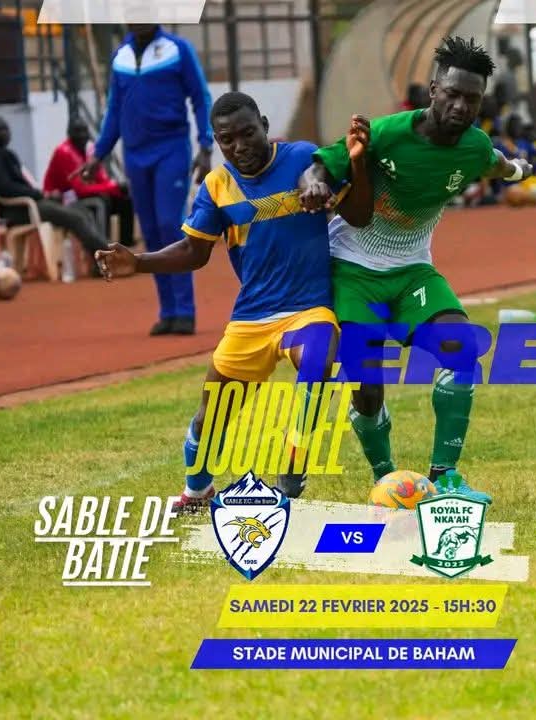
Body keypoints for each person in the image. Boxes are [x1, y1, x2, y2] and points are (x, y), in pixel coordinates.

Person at [95, 92, 372, 510]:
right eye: (227, 140)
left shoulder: (302, 157)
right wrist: (138, 261)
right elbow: (194, 252)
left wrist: (335, 179)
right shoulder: (216, 186)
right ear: (217, 142)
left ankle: (294, 462)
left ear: (264, 125)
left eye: (248, 133)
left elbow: (357, 209)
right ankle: (197, 490)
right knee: (210, 416)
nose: (240, 146)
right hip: (251, 317)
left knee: (318, 358)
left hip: (308, 307)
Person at [299, 36, 532, 503]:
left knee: (462, 349)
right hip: (353, 271)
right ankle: (386, 478)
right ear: (433, 91)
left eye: (472, 99)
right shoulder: (386, 133)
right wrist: (312, 186)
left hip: (412, 272)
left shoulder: (473, 146)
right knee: (367, 389)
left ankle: (445, 477)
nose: (461, 106)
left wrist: (519, 172)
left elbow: (497, 164)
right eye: (453, 94)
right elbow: (320, 167)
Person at [77, 25, 214, 336]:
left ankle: (185, 310)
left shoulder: (177, 49)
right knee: (150, 231)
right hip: (135, 153)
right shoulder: (120, 57)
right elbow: (114, 110)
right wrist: (98, 155)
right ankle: (168, 311)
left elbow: (200, 97)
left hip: (171, 148)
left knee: (169, 224)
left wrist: (206, 145)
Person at [0, 116, 108, 263]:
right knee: (76, 218)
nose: (4, 133)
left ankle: (98, 263)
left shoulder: (6, 154)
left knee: (83, 212)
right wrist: (39, 195)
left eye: (6, 129)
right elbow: (5, 188)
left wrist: (44, 195)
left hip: (30, 204)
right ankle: (109, 258)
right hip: (18, 210)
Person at [44, 118, 135, 247]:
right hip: (62, 199)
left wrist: (117, 188)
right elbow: (80, 190)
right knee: (100, 201)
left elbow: (103, 179)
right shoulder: (64, 152)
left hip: (81, 195)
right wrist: (114, 187)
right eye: (77, 131)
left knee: (124, 198)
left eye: (84, 131)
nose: (81, 135)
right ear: (69, 134)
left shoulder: (90, 149)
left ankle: (127, 245)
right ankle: (103, 247)